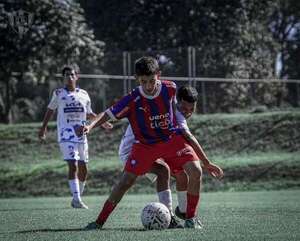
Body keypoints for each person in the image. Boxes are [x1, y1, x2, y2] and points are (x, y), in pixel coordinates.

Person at [83, 56, 223, 229]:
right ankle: (99, 222)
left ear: (159, 74)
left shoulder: (170, 88)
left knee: (195, 170)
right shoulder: (132, 99)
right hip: (145, 145)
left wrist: (206, 162)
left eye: (152, 80)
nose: (148, 86)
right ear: (137, 79)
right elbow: (106, 114)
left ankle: (190, 218)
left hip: (169, 140)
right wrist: (89, 126)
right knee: (125, 182)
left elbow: (176, 114)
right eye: (143, 82)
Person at [119, 85, 223, 221]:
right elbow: (188, 137)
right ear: (176, 101)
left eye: (192, 109)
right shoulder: (173, 111)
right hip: (132, 151)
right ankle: (173, 215)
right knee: (167, 172)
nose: (188, 112)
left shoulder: (168, 104)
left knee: (180, 174)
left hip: (150, 148)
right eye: (185, 108)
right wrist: (207, 163)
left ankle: (182, 212)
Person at [38, 65, 112, 209]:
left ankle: (76, 198)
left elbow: (89, 113)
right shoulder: (58, 93)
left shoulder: (84, 94)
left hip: (81, 134)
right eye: (66, 75)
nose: (69, 77)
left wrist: (102, 123)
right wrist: (43, 127)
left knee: (84, 168)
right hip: (66, 134)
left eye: (72, 74)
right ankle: (77, 199)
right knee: (73, 165)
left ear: (77, 76)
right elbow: (50, 110)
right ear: (63, 77)